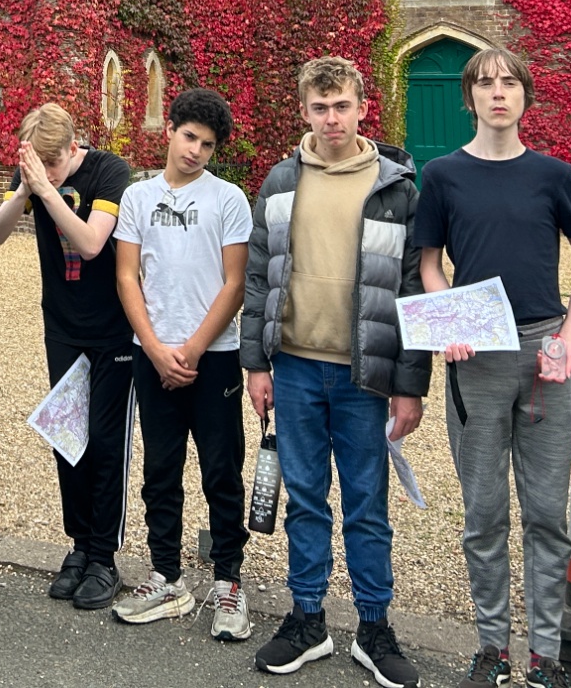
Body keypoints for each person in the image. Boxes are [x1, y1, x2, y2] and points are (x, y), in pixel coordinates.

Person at [414, 48, 571, 688]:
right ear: (469, 99)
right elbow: (430, 264)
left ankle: (545, 656)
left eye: (509, 83)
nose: (498, 93)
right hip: (478, 358)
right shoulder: (441, 176)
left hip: (546, 354)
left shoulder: (553, 175)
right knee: (484, 514)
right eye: (485, 84)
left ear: (525, 96)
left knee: (547, 514)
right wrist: (452, 321)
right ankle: (492, 647)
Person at [242, 57, 426, 687]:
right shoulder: (281, 179)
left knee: (368, 503)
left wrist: (410, 384)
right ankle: (308, 618)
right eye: (319, 108)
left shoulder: (395, 186)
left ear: (361, 106)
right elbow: (259, 276)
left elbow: (410, 290)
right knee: (306, 500)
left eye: (341, 105)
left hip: (365, 375)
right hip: (292, 366)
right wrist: (255, 363)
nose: (331, 119)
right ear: (304, 112)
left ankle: (374, 626)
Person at [111, 87, 253, 641]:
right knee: (160, 472)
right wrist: (152, 346)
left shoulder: (229, 199)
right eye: (189, 137)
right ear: (170, 130)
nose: (195, 150)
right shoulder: (138, 197)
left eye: (207, 144)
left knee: (222, 471)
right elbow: (127, 276)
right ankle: (167, 577)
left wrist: (192, 349)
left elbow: (235, 283)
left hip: (213, 358)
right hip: (153, 356)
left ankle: (228, 582)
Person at [0, 102, 134, 612]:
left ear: (74, 148)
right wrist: (24, 190)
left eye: (54, 164)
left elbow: (92, 243)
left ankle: (104, 557)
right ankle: (79, 545)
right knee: (67, 437)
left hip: (114, 330)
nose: (45, 173)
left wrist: (46, 189)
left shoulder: (110, 171)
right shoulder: (32, 175)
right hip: (63, 327)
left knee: (107, 441)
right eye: (37, 164)